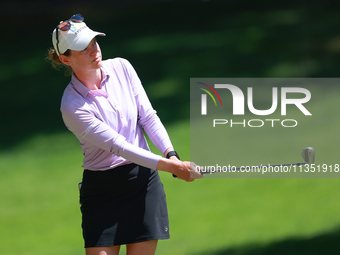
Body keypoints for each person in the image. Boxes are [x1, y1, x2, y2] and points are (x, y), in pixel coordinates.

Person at [48, 14, 203, 255]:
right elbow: (119, 146)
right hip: (102, 191)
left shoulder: (122, 67)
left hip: (142, 182)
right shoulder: (72, 106)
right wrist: (173, 168)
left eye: (94, 43)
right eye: (82, 48)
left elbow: (148, 116)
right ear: (64, 59)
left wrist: (172, 155)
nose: (93, 50)